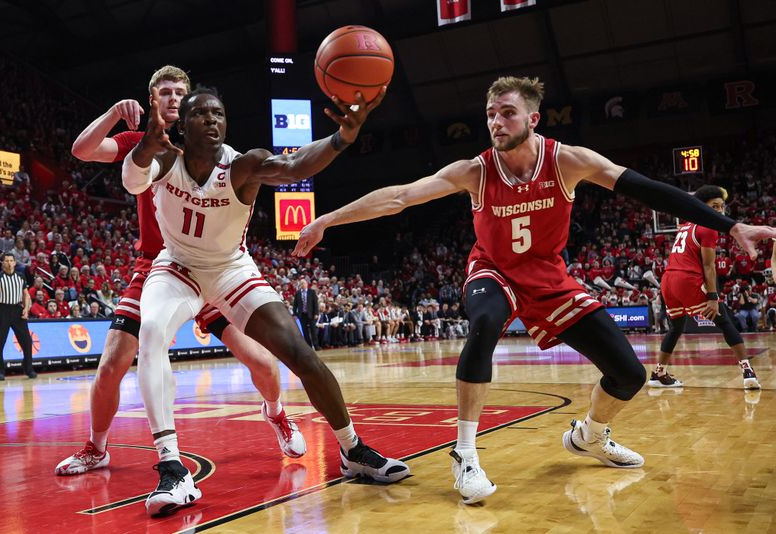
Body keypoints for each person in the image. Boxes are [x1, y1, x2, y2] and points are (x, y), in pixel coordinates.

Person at [292, 76, 776, 505]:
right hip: (494, 270)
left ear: (532, 118)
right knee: (483, 323)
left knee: (629, 375)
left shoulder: (568, 161)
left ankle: (590, 434)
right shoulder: (475, 170)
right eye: (490, 115)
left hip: (549, 277)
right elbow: (399, 196)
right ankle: (464, 453)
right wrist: (328, 219)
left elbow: (647, 189)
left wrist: (732, 227)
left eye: (507, 113)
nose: (496, 123)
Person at [122, 85, 408, 516]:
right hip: (178, 266)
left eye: (219, 114)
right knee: (152, 332)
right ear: (184, 124)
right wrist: (145, 144)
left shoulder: (242, 165)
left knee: (299, 353)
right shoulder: (165, 159)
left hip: (231, 269)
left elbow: (293, 167)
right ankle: (172, 467)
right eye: (203, 114)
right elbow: (131, 179)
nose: (214, 121)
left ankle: (352, 449)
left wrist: (341, 138)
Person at [56, 66, 306, 479]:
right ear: (152, 98)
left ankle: (276, 413)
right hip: (160, 266)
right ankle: (96, 447)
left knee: (261, 362)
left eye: (179, 93)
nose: (172, 99)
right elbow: (83, 150)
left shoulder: (212, 149)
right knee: (111, 363)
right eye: (164, 92)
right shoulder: (143, 143)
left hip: (213, 267)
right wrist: (117, 113)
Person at [649, 186, 760, 389]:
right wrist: (712, 296)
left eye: (721, 207)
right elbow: (709, 266)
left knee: (676, 328)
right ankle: (748, 372)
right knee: (725, 322)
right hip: (687, 280)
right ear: (702, 207)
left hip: (669, 280)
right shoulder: (708, 227)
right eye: (714, 206)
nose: (719, 211)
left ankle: (658, 374)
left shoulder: (685, 226)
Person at [0, 253, 36, 380]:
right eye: (6, 261)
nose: (9, 263)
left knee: (26, 341)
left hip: (17, 310)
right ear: (3, 263)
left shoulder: (21, 277)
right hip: (3, 310)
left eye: (11, 260)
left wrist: (26, 308)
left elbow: (26, 294)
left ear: (15, 262)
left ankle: (28, 369)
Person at [292, 278, 319, 349]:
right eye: (301, 283)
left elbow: (315, 303)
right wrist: (294, 314)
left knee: (313, 330)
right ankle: (309, 346)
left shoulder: (312, 292)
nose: (302, 285)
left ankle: (316, 345)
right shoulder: (298, 293)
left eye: (303, 283)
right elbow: (295, 305)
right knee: (305, 331)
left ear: (307, 284)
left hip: (311, 314)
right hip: (302, 315)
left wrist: (316, 313)